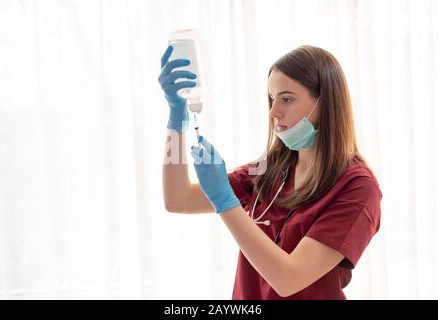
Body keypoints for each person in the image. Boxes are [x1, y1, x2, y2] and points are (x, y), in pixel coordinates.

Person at [158, 44, 382, 300]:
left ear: (326, 102)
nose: (274, 112)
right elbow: (179, 199)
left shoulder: (357, 187)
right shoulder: (270, 169)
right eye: (272, 99)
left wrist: (224, 200)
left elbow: (288, 279)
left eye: (286, 99)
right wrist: (176, 121)